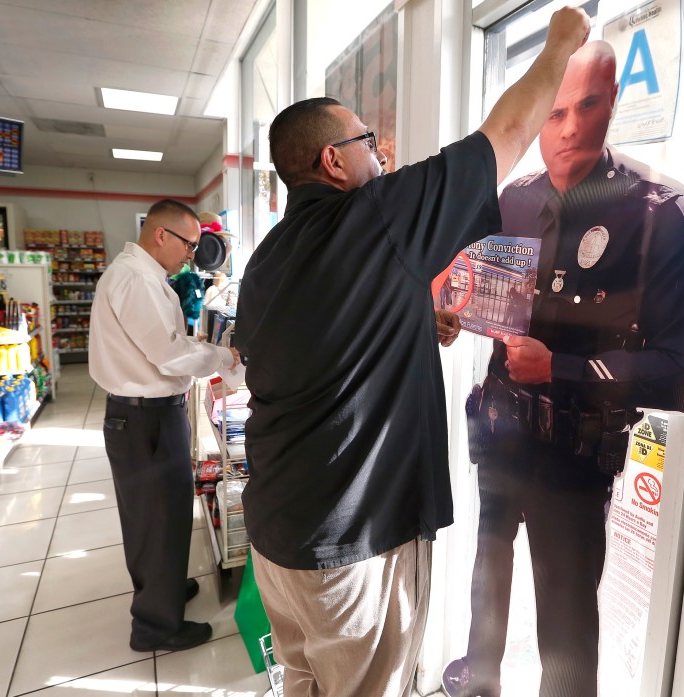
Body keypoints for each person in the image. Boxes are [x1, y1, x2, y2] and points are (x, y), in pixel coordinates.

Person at [232, 9, 591, 697]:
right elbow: (508, 133)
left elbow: (303, 347)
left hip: (279, 535)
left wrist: (409, 320)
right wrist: (562, 40)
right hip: (352, 545)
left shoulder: (269, 257)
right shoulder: (376, 215)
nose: (384, 156)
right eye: (369, 141)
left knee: (305, 681)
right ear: (333, 161)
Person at [442, 41, 684, 697]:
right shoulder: (512, 201)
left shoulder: (663, 216)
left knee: (565, 642)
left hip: (574, 463)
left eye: (587, 105)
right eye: (553, 111)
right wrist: (452, 313)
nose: (569, 128)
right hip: (498, 440)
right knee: (486, 591)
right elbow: (481, 300)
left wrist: (565, 369)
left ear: (614, 102)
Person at [89, 198, 240, 653]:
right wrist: (223, 357)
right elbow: (169, 353)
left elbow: (162, 343)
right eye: (189, 244)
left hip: (148, 414)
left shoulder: (146, 277)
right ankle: (155, 625)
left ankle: (164, 590)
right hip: (144, 417)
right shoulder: (136, 279)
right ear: (161, 234)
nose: (191, 255)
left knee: (164, 514)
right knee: (155, 518)